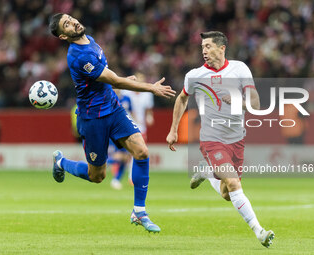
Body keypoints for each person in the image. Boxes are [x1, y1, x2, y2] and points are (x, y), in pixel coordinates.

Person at [49, 13, 175, 233]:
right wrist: (150, 87)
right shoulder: (78, 56)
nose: (74, 22)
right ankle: (61, 163)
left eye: (71, 18)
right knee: (96, 176)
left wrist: (125, 78)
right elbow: (114, 80)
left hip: (114, 109)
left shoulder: (91, 42)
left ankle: (139, 211)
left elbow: (109, 75)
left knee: (142, 152)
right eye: (66, 24)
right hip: (92, 118)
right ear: (63, 35)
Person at [166, 31, 275, 247]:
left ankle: (207, 172)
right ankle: (260, 231)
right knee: (234, 183)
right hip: (211, 138)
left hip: (237, 139)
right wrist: (173, 129)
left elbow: (255, 102)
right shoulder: (195, 75)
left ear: (222, 48)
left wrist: (238, 101)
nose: (204, 51)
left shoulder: (240, 69)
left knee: (227, 193)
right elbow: (181, 99)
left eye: (208, 46)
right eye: (202, 47)